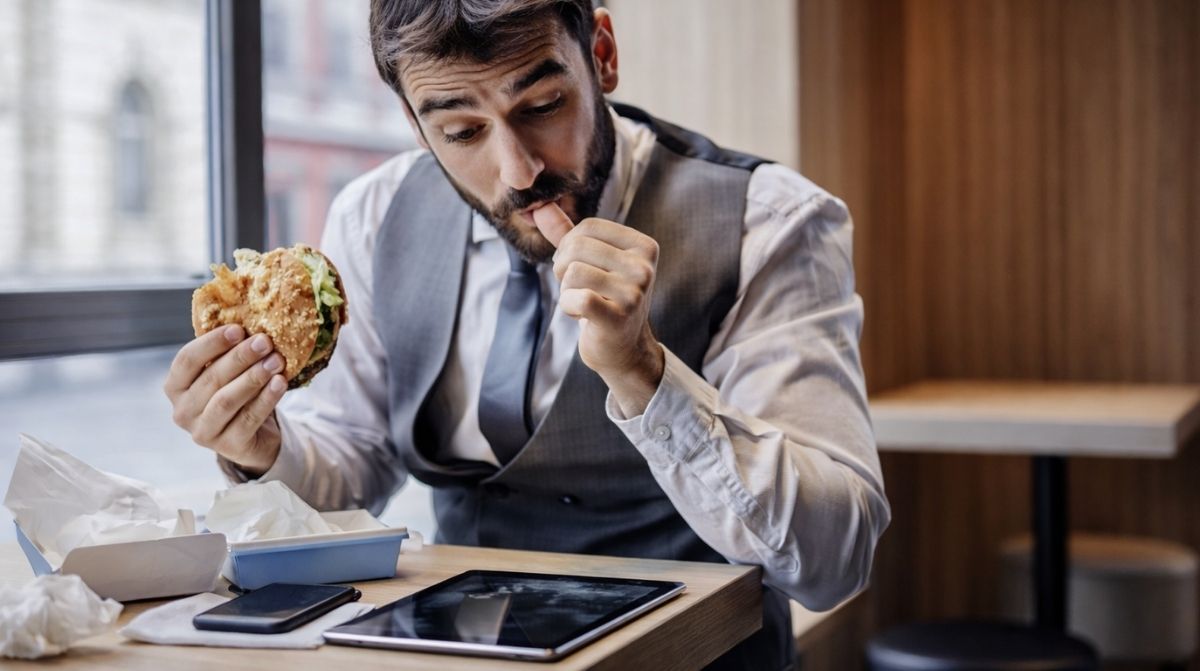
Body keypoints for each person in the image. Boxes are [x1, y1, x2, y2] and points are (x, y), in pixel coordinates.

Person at [163, 2, 890, 668]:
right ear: (415, 123)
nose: (518, 170)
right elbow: (356, 462)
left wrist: (646, 374)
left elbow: (834, 558)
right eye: (460, 130)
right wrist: (263, 451)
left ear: (601, 53)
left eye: (542, 105)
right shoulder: (373, 218)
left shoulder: (769, 221)